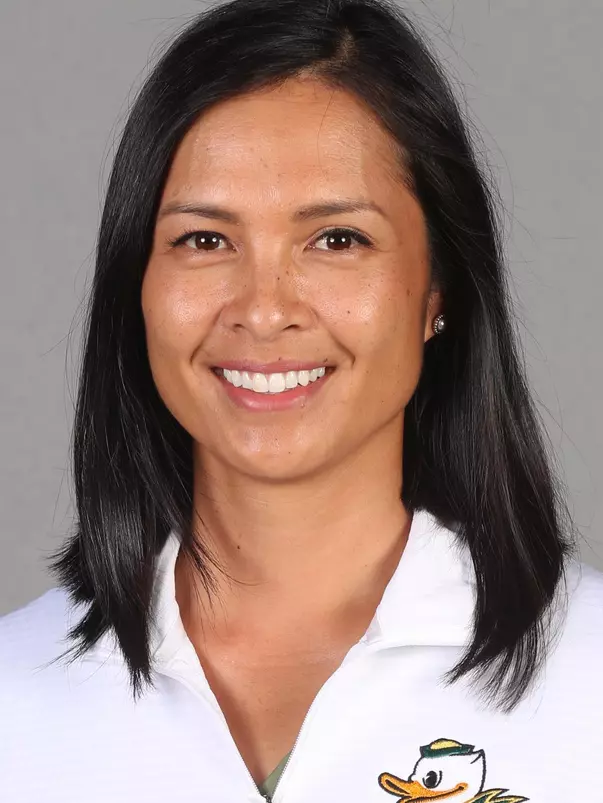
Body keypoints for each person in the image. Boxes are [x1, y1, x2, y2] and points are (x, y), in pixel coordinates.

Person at [1, 0, 601, 800]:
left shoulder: (588, 678)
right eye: (204, 239)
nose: (263, 309)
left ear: (437, 290)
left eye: (336, 239)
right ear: (135, 285)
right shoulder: (14, 698)